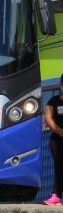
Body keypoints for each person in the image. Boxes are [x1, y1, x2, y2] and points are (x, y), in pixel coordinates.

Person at [43, 74, 63, 205]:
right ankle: (56, 195)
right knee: (59, 166)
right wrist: (59, 131)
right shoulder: (53, 101)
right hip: (57, 139)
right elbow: (48, 118)